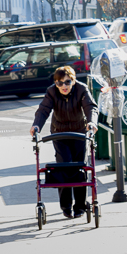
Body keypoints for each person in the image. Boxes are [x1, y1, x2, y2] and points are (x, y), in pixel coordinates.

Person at [29, 66, 98, 219]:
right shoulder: (52, 91)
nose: (64, 86)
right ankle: (66, 206)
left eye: (67, 82)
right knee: (64, 167)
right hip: (59, 133)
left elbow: (90, 107)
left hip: (79, 132)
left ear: (73, 80)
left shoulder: (81, 89)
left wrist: (92, 123)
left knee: (80, 167)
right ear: (55, 83)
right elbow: (43, 110)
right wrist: (36, 125)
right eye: (60, 83)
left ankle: (80, 206)